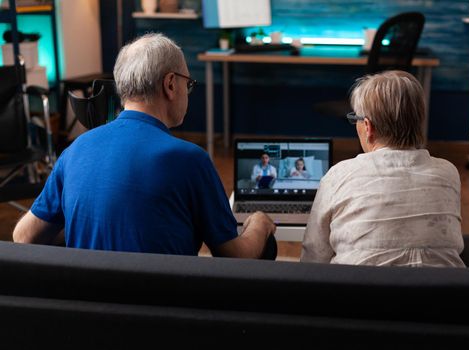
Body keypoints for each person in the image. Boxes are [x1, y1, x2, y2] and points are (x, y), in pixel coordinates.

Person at [13, 33, 275, 259]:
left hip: (87, 312)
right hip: (162, 314)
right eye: (189, 84)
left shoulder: (75, 150)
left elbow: (23, 236)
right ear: (170, 84)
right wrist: (260, 224)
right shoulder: (190, 160)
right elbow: (234, 255)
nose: (188, 92)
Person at [301, 70, 464, 268]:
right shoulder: (448, 173)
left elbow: (314, 257)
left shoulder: (338, 176)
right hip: (442, 295)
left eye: (356, 119)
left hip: (358, 294)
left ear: (368, 127)